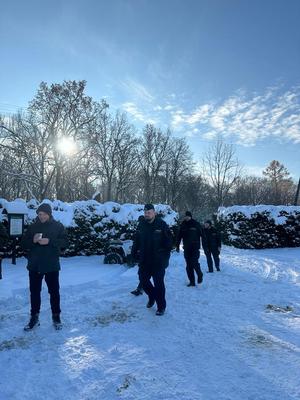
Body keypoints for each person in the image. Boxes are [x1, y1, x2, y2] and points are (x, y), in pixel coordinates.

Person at [21, 203, 68, 330]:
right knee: (34, 293)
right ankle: (34, 318)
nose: (41, 216)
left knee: (54, 292)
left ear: (49, 214)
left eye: (43, 214)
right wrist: (32, 241)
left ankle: (56, 316)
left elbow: (65, 242)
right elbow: (23, 243)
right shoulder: (32, 227)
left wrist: (50, 241)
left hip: (51, 265)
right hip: (34, 266)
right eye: (39, 214)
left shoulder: (58, 226)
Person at [131, 204, 173, 316]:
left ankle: (161, 307)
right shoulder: (141, 225)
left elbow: (169, 244)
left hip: (158, 261)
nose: (147, 214)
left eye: (149, 212)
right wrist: (133, 254)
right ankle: (152, 296)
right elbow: (136, 241)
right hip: (145, 260)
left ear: (154, 212)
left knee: (159, 284)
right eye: (145, 212)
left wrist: (164, 258)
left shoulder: (162, 225)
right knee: (143, 280)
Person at [176, 211, 204, 287]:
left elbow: (203, 235)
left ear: (190, 216)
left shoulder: (196, 224)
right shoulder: (183, 225)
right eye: (185, 216)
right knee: (188, 266)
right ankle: (192, 282)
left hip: (195, 247)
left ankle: (199, 274)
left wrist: (204, 246)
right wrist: (177, 245)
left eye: (188, 216)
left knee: (194, 262)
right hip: (187, 248)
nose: (186, 217)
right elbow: (179, 236)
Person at [130, 215, 145, 296]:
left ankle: (140, 289)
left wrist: (134, 254)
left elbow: (136, 241)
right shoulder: (142, 227)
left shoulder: (141, 227)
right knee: (142, 274)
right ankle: (140, 288)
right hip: (142, 254)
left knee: (143, 274)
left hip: (144, 254)